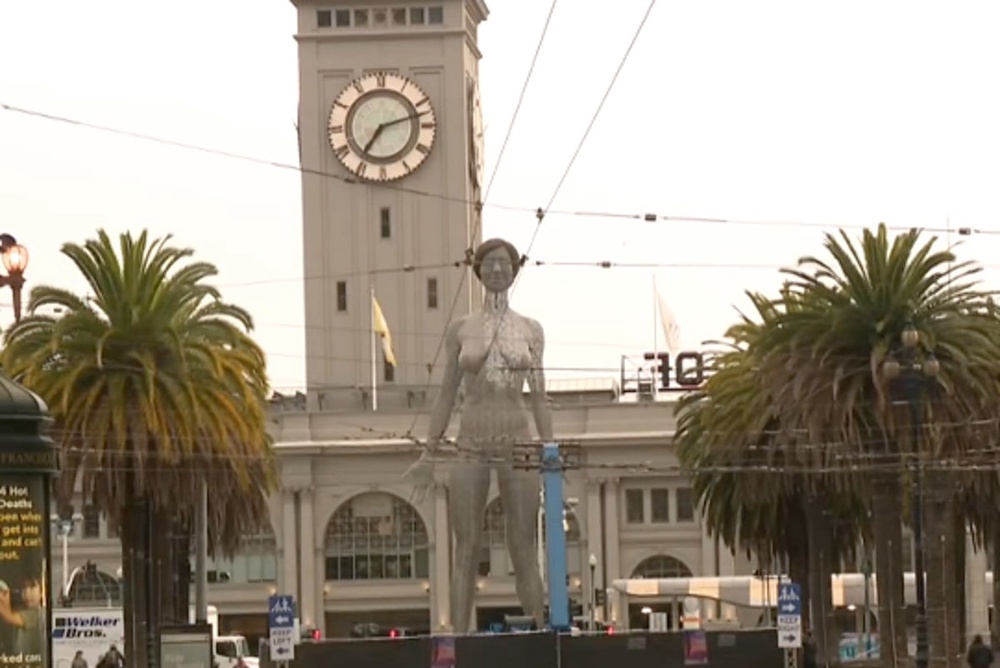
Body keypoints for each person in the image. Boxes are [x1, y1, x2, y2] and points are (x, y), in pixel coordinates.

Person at [404, 238, 552, 634]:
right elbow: (446, 394)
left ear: (514, 270)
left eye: (504, 263)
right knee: (465, 546)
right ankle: (458, 637)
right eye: (490, 264)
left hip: (518, 439)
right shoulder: (460, 329)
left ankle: (537, 632)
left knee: (523, 545)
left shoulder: (531, 330)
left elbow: (539, 396)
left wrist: (549, 449)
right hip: (469, 441)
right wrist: (429, 451)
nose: (498, 270)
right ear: (479, 271)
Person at [0, 577, 43, 656]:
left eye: (32, 587)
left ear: (42, 592)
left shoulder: (39, 613)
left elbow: (8, 617)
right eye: (24, 589)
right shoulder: (21, 610)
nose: (27, 593)